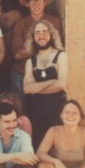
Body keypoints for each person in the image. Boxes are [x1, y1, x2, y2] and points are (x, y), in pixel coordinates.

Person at [10, 0, 62, 100]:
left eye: (39, 0)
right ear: (27, 4)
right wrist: (43, 47)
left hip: (46, 74)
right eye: (32, 1)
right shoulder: (20, 23)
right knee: (20, 111)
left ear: (45, 2)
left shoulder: (54, 21)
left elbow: (57, 49)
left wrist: (29, 49)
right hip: (21, 73)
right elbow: (17, 54)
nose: (36, 4)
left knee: (42, 109)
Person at [23, 19, 68, 148]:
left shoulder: (61, 56)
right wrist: (52, 81)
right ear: (32, 37)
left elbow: (61, 85)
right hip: (37, 112)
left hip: (57, 111)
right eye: (37, 33)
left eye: (44, 31)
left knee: (57, 147)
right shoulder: (30, 62)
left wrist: (36, 88)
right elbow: (26, 89)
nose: (41, 35)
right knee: (38, 147)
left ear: (51, 34)